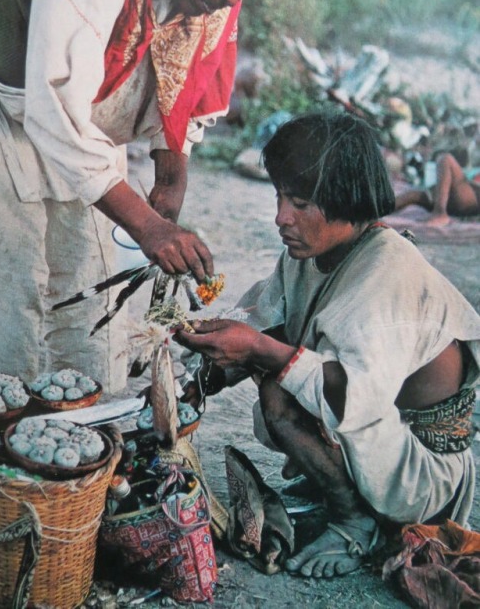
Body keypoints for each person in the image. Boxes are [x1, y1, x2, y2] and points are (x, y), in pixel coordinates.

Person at [175, 111, 480, 579]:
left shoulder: (389, 271)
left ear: (347, 202)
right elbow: (266, 318)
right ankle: (344, 493)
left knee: (278, 384)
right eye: (279, 196)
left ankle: (354, 521)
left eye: (299, 202)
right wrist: (200, 373)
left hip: (422, 473)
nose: (281, 217)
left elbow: (356, 395)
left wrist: (257, 349)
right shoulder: (309, 252)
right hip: (380, 436)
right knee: (273, 356)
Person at [0, 0, 293, 392]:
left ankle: (92, 426)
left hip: (85, 123)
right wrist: (147, 226)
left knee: (92, 292)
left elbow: (185, 80)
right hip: (3, 104)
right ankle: (4, 440)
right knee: (12, 288)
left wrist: (170, 179)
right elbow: (53, 107)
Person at [394, 151, 480, 227]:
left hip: (469, 199)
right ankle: (382, 209)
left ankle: (440, 212)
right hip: (453, 199)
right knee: (412, 195)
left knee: (446, 159)